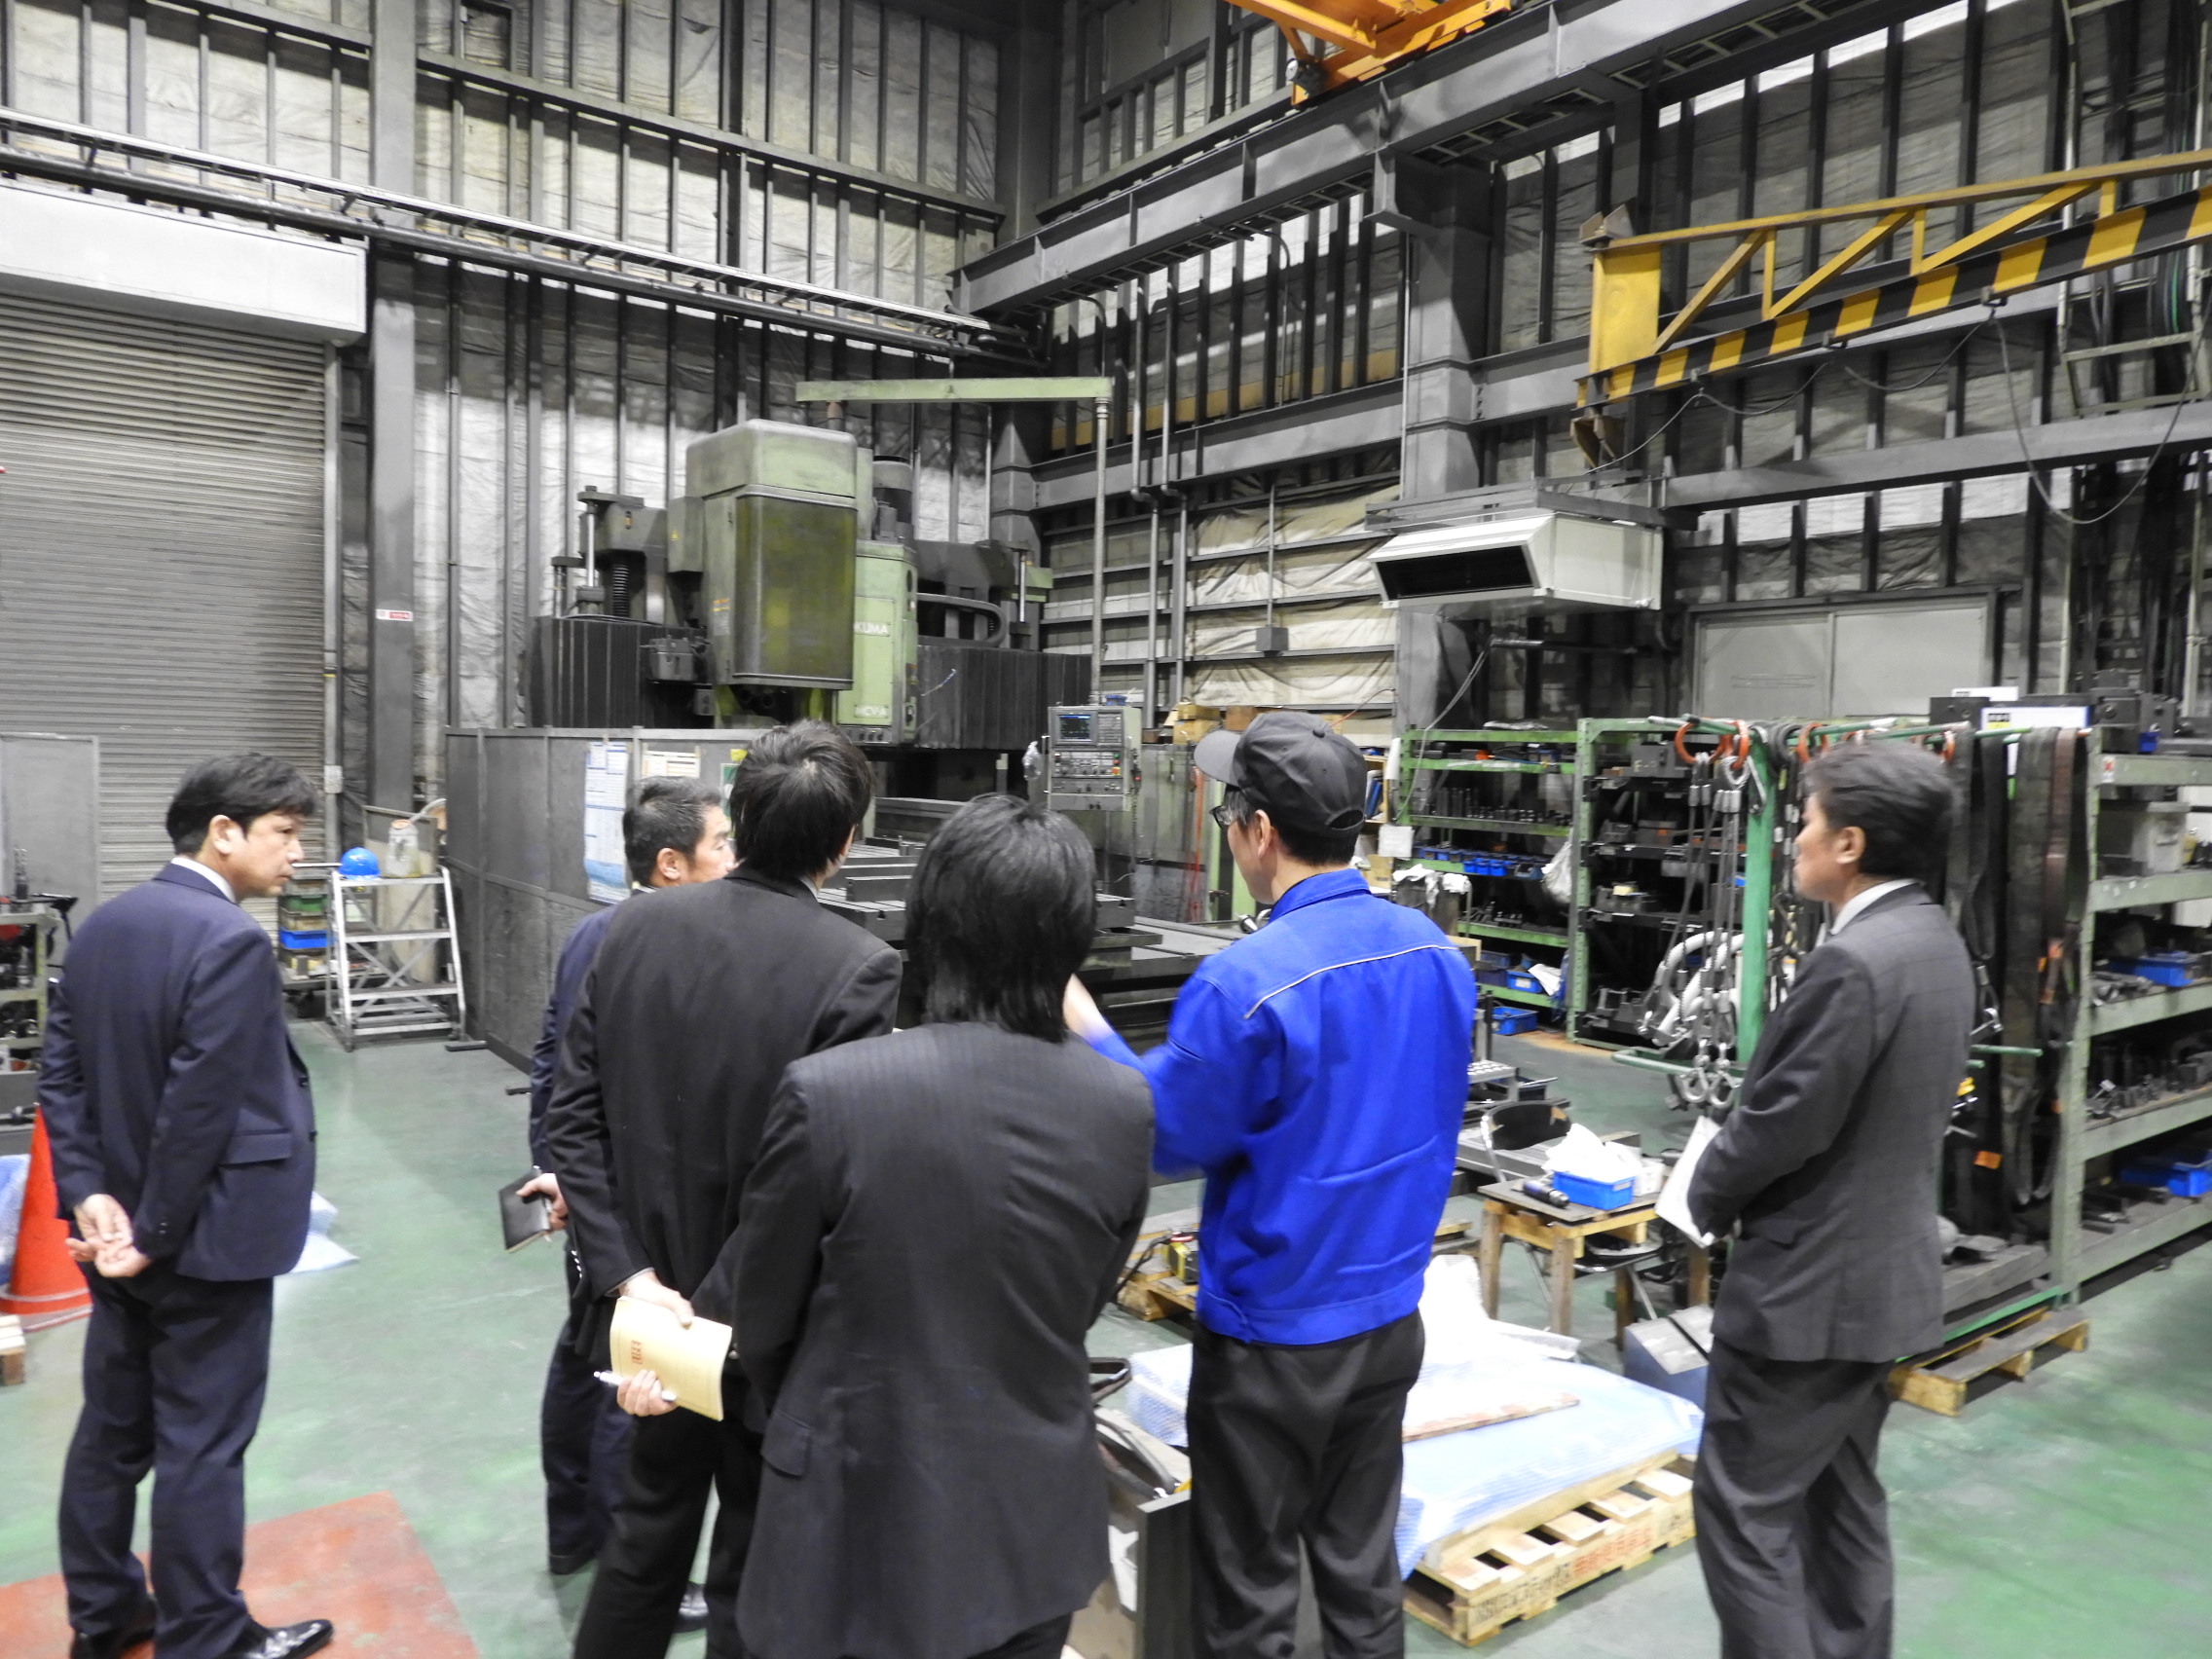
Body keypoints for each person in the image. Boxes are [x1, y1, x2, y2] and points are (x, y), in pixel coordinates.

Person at [1066, 711, 1478, 1659]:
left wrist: (1088, 1030)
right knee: (1360, 1568)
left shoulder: (1244, 983)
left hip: (1274, 1346)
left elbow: (1164, 1138)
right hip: (1388, 1321)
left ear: (1257, 832)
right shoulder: (1432, 952)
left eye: (1229, 817)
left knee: (1250, 1591)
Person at [713, 794, 1152, 1659]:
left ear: (931, 928)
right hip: (1029, 1529)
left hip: (851, 1526)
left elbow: (762, 1318)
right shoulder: (1122, 1105)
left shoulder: (832, 1095)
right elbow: (1086, 1293)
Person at [543, 721, 901, 1659]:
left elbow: (572, 1120)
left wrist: (632, 1282)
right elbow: (809, 1180)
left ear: (738, 821)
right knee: (752, 1558)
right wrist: (715, 1316)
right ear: (844, 843)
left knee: (645, 1538)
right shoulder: (858, 969)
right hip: (767, 1331)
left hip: (648, 1313)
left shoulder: (633, 928)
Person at [1685, 740, 1974, 1659]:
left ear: (1849, 843)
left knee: (1744, 1514)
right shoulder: (1935, 941)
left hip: (1805, 1301)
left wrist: (1697, 1195)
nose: (1795, 839)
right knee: (1840, 1499)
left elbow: (1782, 1125)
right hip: (1878, 1287)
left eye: (1806, 822)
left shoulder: (1853, 963)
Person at [40, 754, 332, 1659]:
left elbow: (62, 1076)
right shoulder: (230, 940)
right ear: (224, 833)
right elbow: (200, 1106)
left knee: (112, 1433)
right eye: (284, 833)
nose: (296, 854)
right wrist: (156, 1234)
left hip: (115, 1232)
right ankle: (206, 1635)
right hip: (203, 1241)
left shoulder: (104, 925)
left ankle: (105, 1615)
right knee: (203, 1442)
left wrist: (90, 1194)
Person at [523, 776, 732, 1605]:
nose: (734, 860)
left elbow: (552, 1062)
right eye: (722, 845)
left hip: (586, 1190)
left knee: (584, 1357)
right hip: (627, 1205)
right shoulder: (656, 943)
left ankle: (572, 1533)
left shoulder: (593, 932)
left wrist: (554, 1167)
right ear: (672, 863)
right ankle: (631, 1565)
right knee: (632, 1374)